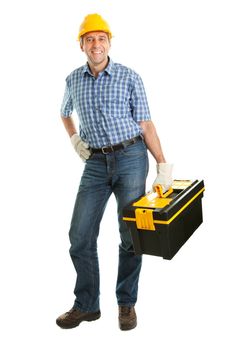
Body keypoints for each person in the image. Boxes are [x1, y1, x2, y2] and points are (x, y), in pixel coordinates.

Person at [56, 13, 173, 331]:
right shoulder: (72, 80)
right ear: (81, 45)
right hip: (94, 163)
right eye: (90, 39)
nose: (96, 44)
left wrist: (162, 163)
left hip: (131, 157)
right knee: (79, 237)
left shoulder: (130, 77)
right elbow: (64, 112)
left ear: (109, 42)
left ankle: (126, 303)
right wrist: (74, 139)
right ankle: (87, 306)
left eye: (101, 38)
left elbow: (146, 123)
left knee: (130, 235)